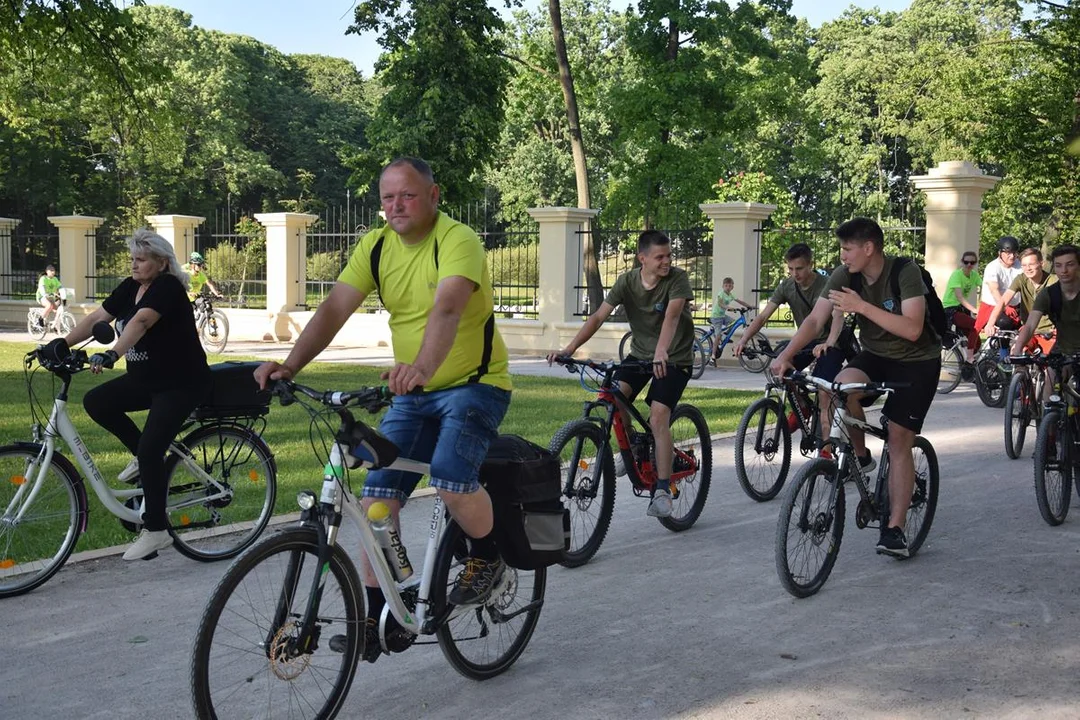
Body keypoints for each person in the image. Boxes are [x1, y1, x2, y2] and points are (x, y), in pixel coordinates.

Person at [253, 157, 512, 659]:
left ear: (433, 196)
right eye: (388, 197)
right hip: (411, 391)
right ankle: (380, 618)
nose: (395, 206)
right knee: (376, 499)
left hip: (473, 386)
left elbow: (448, 309)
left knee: (452, 476)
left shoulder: (456, 240)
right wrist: (290, 365)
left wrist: (421, 367)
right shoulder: (375, 247)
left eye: (407, 195)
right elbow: (333, 309)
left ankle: (488, 557)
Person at [770, 217, 941, 559]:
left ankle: (894, 529)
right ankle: (860, 456)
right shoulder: (844, 275)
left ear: (868, 248)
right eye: (841, 249)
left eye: (848, 249)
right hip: (876, 355)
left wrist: (862, 307)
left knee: (898, 439)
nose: (843, 256)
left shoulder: (904, 272)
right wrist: (786, 355)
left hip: (918, 361)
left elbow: (911, 328)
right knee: (835, 390)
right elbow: (816, 319)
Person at [60, 229, 210, 561]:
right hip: (147, 380)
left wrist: (113, 353)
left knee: (151, 448)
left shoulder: (168, 288)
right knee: (97, 402)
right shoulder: (132, 287)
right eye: (133, 258)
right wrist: (60, 344)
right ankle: (144, 460)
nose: (134, 264)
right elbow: (100, 317)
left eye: (141, 259)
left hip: (181, 382)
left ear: (162, 262)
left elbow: (141, 322)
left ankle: (156, 530)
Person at [547, 230, 694, 519]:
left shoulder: (677, 279)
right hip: (640, 354)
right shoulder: (627, 281)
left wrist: (661, 351)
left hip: (674, 357)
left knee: (658, 415)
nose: (667, 261)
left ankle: (663, 489)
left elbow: (672, 316)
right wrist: (570, 348)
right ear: (643, 259)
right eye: (659, 257)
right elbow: (599, 316)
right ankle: (633, 449)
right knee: (613, 394)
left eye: (668, 256)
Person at [734, 243, 849, 442]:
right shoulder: (787, 286)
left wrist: (829, 343)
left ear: (810, 265)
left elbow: (838, 316)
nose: (795, 273)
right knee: (780, 370)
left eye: (799, 268)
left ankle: (827, 450)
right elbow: (763, 317)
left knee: (824, 394)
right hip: (806, 341)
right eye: (791, 269)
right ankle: (802, 406)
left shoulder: (826, 284)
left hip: (831, 344)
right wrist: (744, 338)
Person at [1012, 245, 1080, 365]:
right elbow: (1030, 325)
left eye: (1070, 264)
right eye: (1058, 265)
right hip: (1062, 350)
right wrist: (1017, 351)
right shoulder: (1048, 294)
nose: (1064, 270)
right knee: (1050, 380)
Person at [987, 247, 1057, 356]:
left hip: (1050, 333)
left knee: (1051, 368)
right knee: (1017, 354)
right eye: (1024, 265)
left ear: (1041, 264)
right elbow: (1003, 301)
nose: (1027, 268)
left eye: (1031, 264)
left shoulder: (1053, 281)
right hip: (1028, 331)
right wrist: (990, 324)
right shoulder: (1020, 279)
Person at [975, 236, 1022, 333]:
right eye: (1008, 253)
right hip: (993, 306)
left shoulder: (1020, 265)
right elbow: (994, 290)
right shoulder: (992, 267)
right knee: (1005, 323)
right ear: (1000, 253)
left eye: (1014, 253)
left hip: (1015, 306)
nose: (1012, 256)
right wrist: (1005, 306)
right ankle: (1002, 348)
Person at [941, 251, 982, 362]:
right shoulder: (957, 275)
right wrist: (974, 309)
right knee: (975, 325)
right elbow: (959, 297)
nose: (969, 265)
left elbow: (985, 287)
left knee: (977, 342)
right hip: (950, 309)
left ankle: (968, 366)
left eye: (972, 262)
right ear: (962, 262)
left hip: (961, 309)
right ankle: (969, 358)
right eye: (966, 262)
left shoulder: (974, 275)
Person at [709, 276, 753, 356]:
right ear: (723, 286)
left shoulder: (731, 295)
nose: (728, 287)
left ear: (732, 287)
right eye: (726, 286)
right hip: (716, 317)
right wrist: (729, 308)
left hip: (722, 316)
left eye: (730, 286)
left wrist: (749, 306)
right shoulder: (721, 294)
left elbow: (740, 301)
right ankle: (713, 354)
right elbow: (720, 304)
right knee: (718, 335)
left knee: (734, 323)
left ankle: (725, 336)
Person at [35, 264, 63, 331]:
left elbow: (60, 287)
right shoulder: (43, 279)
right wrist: (45, 294)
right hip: (42, 297)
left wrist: (63, 292)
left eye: (54, 271)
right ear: (47, 271)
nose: (53, 272)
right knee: (49, 305)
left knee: (58, 311)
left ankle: (56, 326)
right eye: (51, 271)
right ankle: (40, 319)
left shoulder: (55, 279)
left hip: (51, 297)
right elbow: (42, 288)